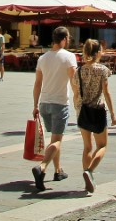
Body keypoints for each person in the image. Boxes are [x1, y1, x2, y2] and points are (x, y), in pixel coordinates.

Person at [30, 26, 79, 192]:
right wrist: (78, 99)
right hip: (59, 104)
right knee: (57, 140)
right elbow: (74, 81)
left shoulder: (43, 58)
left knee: (55, 139)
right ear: (64, 39)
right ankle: (42, 167)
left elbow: (37, 83)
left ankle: (58, 171)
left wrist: (35, 105)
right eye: (68, 38)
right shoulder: (69, 57)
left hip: (44, 104)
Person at [76, 38, 116, 194]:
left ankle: (87, 180)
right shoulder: (103, 70)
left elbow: (76, 92)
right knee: (102, 146)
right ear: (98, 52)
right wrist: (113, 113)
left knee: (87, 147)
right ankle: (90, 171)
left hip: (83, 111)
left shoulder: (79, 70)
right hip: (98, 110)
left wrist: (77, 108)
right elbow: (106, 92)